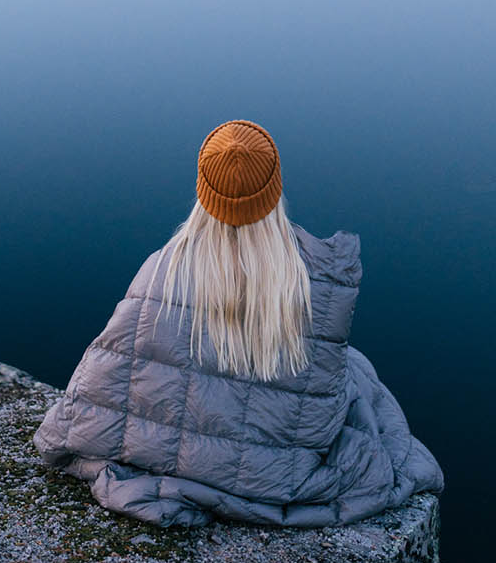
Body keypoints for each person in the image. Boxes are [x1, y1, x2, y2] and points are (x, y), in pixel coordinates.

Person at [33, 119, 444, 527]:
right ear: (274, 189)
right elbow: (318, 392)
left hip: (183, 453)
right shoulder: (316, 281)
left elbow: (108, 381)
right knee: (356, 373)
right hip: (278, 471)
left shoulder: (162, 271)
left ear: (203, 191)